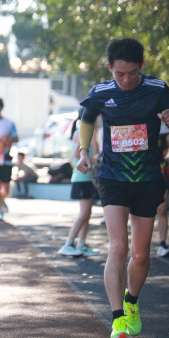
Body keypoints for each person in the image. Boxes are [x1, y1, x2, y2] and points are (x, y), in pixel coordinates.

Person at [76, 38, 169, 338]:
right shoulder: (100, 92)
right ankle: (117, 320)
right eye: (119, 73)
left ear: (142, 67)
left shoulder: (158, 89)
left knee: (140, 253)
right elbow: (86, 120)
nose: (125, 79)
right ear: (109, 67)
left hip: (148, 178)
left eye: (132, 73)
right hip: (113, 176)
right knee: (118, 246)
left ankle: (132, 301)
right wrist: (84, 152)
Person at [58, 110, 100, 257]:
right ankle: (68, 244)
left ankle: (81, 244)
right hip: (81, 179)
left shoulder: (85, 132)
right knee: (83, 214)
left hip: (85, 178)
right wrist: (93, 160)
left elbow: (72, 160)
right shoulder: (84, 133)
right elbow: (77, 154)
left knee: (87, 213)